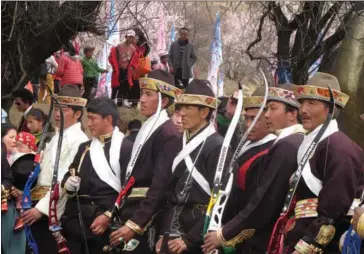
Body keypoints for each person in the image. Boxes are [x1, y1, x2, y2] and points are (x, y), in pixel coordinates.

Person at [203, 84, 305, 254]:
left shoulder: (287, 146)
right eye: (247, 118)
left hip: (261, 238)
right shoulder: (289, 142)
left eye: (272, 109)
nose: (267, 115)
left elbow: (264, 201)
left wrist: (224, 234)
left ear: (293, 114)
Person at [280, 72, 364, 253]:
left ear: (330, 109)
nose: (303, 110)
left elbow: (334, 210)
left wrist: (305, 247)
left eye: (312, 103)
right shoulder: (312, 143)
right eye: (302, 102)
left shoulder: (340, 148)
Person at [108, 69, 182, 253]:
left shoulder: (168, 134)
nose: (141, 99)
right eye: (142, 94)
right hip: (132, 210)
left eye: (148, 94)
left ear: (164, 101)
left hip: (148, 220)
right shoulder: (149, 128)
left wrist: (135, 223)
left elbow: (160, 185)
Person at [156, 79, 233, 254]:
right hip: (172, 234)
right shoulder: (179, 142)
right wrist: (164, 233)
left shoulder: (217, 147)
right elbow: (170, 197)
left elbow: (221, 200)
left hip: (196, 240)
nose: (181, 113)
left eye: (187, 108)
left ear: (204, 111)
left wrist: (190, 238)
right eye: (180, 107)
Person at [61, 97, 133, 253]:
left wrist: (108, 216)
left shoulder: (126, 148)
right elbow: (71, 172)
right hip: (78, 219)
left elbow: (130, 188)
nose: (88, 124)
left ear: (108, 119)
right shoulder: (84, 148)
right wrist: (68, 183)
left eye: (93, 119)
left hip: (106, 221)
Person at [22, 85, 88, 254]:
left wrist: (42, 209)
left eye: (64, 110)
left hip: (53, 210)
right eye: (57, 109)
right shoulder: (56, 137)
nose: (57, 114)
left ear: (78, 114)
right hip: (39, 203)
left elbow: (65, 180)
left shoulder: (79, 140)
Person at [2, 142, 27, 254]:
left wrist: (5, 187)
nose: (13, 141)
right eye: (11, 137)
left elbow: (7, 178)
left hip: (7, 208)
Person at [109, 30, 137, 107]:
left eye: (132, 37)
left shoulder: (133, 49)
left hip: (127, 69)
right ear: (126, 37)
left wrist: (132, 68)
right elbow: (112, 57)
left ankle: (121, 101)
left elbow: (134, 60)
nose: (130, 39)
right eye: (129, 37)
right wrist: (115, 67)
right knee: (116, 85)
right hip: (119, 68)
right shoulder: (119, 46)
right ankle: (112, 100)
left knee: (125, 86)